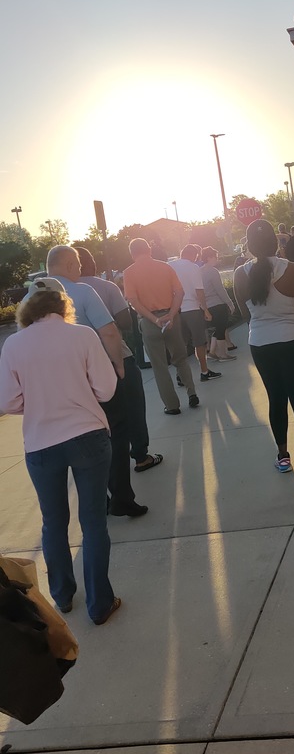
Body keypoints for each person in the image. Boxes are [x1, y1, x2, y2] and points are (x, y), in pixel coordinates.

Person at [0, 279, 121, 624]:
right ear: (62, 303)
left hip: (41, 442)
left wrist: (37, 403)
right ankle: (101, 604)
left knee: (53, 522)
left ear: (27, 307)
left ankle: (63, 596)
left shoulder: (14, 344)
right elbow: (107, 389)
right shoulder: (82, 336)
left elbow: (7, 400)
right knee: (93, 521)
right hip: (88, 435)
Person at [47, 246, 148, 517]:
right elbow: (110, 332)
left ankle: (98, 498)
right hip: (96, 372)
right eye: (77, 265)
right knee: (115, 432)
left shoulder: (33, 299)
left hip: (63, 383)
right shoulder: (81, 292)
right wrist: (117, 365)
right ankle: (122, 498)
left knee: (82, 437)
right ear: (69, 265)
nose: (80, 271)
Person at [233, 219, 294, 482]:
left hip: (261, 343)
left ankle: (283, 457)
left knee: (276, 399)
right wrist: (292, 328)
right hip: (293, 340)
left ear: (249, 245)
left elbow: (245, 314)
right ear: (277, 242)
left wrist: (263, 327)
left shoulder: (240, 274)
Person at [73, 247, 163, 473]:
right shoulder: (105, 287)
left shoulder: (58, 293)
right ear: (91, 263)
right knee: (132, 408)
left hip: (78, 367)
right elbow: (123, 322)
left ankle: (100, 468)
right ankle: (141, 456)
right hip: (114, 357)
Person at [124, 239, 199, 415]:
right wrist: (171, 315)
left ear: (132, 253)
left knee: (159, 366)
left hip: (149, 323)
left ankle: (172, 405)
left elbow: (133, 300)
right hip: (171, 318)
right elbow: (179, 292)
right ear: (149, 249)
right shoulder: (165, 267)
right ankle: (192, 393)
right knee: (180, 359)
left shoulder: (129, 273)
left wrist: (153, 319)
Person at [169, 245, 222, 383]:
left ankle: (180, 375)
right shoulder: (193, 267)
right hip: (192, 309)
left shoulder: (169, 266)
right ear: (195, 255)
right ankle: (204, 371)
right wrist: (205, 310)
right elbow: (199, 291)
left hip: (176, 311)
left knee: (181, 344)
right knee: (199, 342)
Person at [200, 246, 237, 362]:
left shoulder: (199, 271)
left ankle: (212, 352)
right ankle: (223, 354)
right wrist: (230, 303)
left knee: (218, 328)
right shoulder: (212, 271)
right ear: (209, 257)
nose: (217, 259)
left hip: (206, 305)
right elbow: (220, 289)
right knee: (221, 328)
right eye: (215, 257)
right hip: (217, 304)